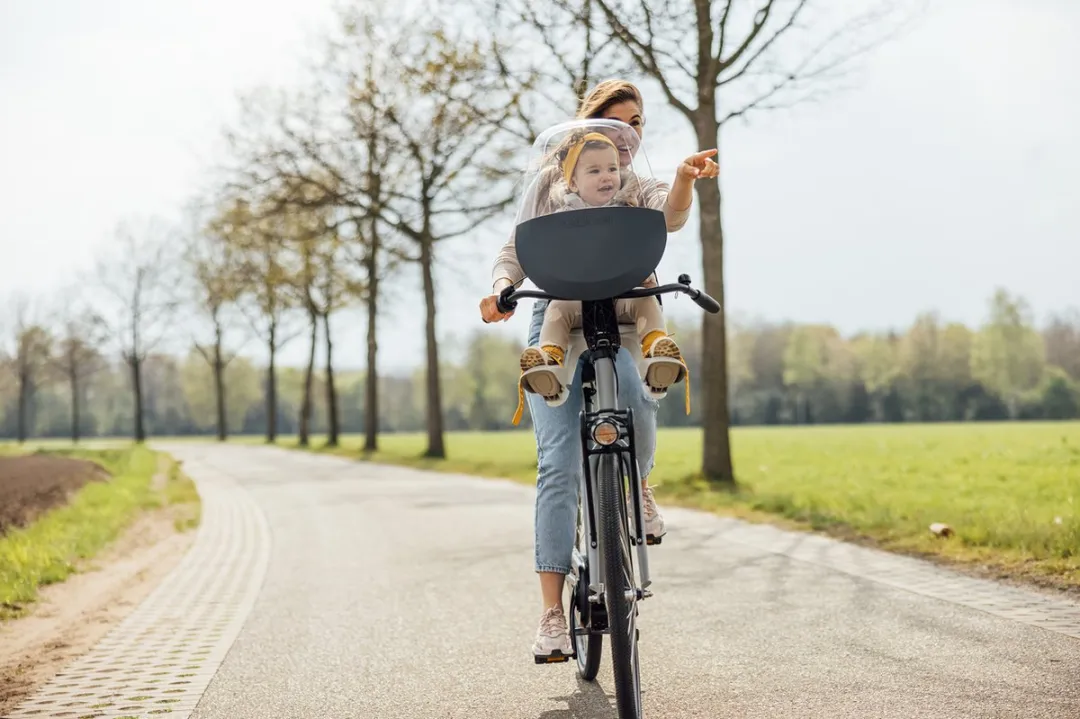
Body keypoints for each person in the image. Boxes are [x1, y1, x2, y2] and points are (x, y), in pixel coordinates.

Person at [478, 79, 719, 661]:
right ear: (590, 127)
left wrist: (685, 179)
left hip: (626, 317)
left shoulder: (634, 182)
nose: (631, 134)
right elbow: (517, 247)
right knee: (557, 465)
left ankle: (636, 485)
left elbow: (671, 216)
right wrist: (502, 289)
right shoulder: (551, 185)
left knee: (638, 394)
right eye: (619, 121)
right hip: (559, 313)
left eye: (638, 123)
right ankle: (552, 616)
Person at [516, 130, 687, 411]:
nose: (606, 176)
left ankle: (658, 354)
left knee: (646, 303)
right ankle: (549, 362)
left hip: (625, 293)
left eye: (612, 168)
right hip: (575, 296)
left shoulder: (628, 209)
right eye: (594, 171)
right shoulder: (561, 218)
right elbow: (551, 254)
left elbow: (645, 241)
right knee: (556, 311)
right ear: (572, 182)